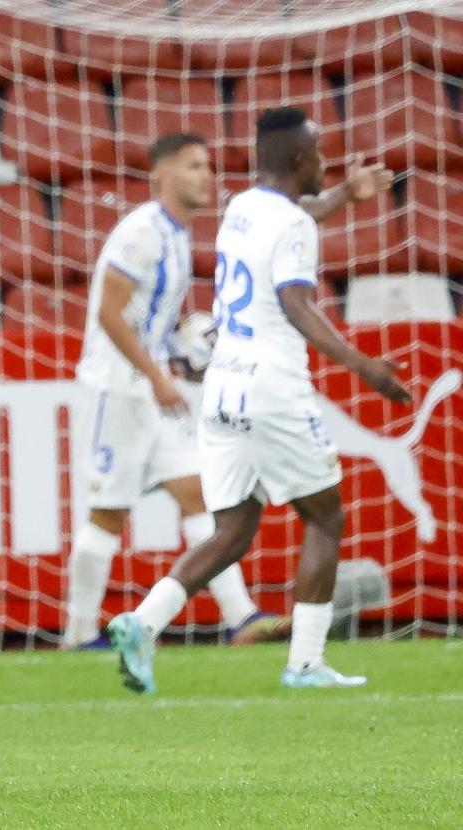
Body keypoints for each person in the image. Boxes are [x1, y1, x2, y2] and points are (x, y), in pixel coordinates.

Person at [107, 107, 411, 693]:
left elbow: (294, 218)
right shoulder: (294, 227)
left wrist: (346, 193)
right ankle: (305, 662)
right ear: (300, 160)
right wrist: (362, 365)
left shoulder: (243, 207)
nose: (324, 163)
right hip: (274, 389)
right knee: (324, 518)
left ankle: (143, 624)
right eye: (320, 156)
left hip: (223, 385)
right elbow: (296, 303)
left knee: (233, 529)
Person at [66, 133, 275, 650]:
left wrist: (185, 349)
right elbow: (109, 315)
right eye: (192, 165)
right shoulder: (142, 233)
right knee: (108, 512)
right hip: (117, 388)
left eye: (207, 165)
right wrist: (159, 377)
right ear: (161, 173)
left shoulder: (177, 235)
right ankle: (78, 633)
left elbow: (152, 319)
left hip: (152, 387)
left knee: (198, 493)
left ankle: (241, 619)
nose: (205, 175)